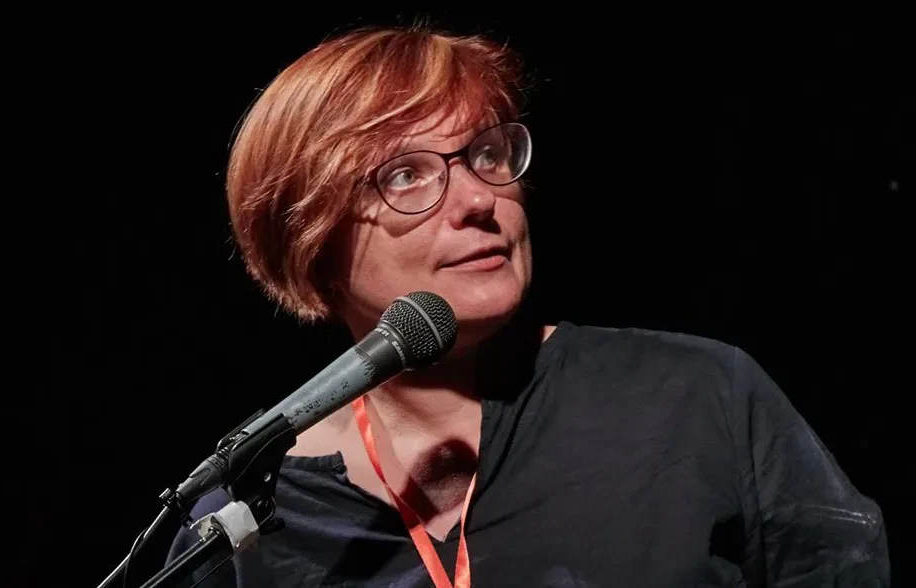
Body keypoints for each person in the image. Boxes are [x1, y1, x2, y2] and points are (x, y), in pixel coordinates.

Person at [165, 24, 890, 586]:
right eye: (406, 175)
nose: (479, 200)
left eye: (487, 154)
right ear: (311, 238)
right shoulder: (247, 516)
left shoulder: (697, 399)